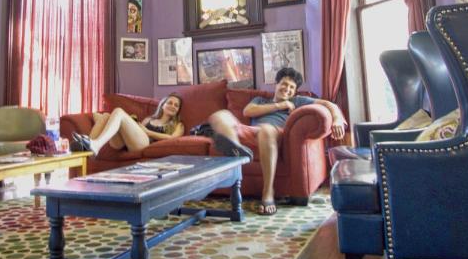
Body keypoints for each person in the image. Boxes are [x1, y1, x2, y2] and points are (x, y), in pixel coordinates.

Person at [208, 67, 346, 216]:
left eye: (292, 87)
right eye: (284, 84)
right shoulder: (260, 100)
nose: (287, 89)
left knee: (266, 130)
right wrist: (280, 105)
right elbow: (248, 111)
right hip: (252, 132)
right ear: (276, 84)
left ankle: (268, 192)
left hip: (275, 133)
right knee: (220, 115)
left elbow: (329, 105)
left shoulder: (297, 101)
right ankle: (236, 148)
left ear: (295, 92)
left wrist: (337, 119)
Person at [71, 94, 184, 156]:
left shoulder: (178, 125)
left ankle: (94, 145)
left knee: (119, 111)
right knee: (105, 116)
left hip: (145, 144)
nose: (173, 106)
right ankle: (87, 148)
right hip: (123, 143)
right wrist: (131, 122)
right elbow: (136, 131)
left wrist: (148, 132)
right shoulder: (149, 119)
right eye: (170, 103)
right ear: (162, 105)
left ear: (178, 110)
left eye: (176, 105)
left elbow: (172, 138)